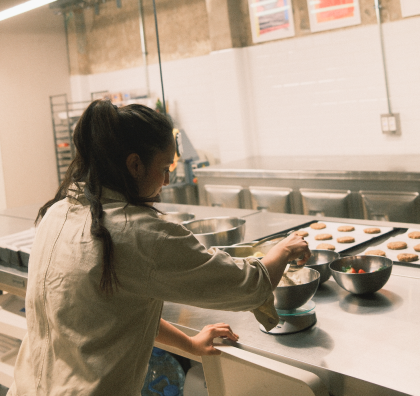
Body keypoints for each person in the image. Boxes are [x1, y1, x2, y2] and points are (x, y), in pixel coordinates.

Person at [8, 100, 310, 396]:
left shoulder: (57, 213)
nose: (166, 180)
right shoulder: (139, 233)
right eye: (164, 167)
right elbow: (247, 286)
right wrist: (283, 250)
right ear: (135, 165)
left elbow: (118, 314)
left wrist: (189, 344)